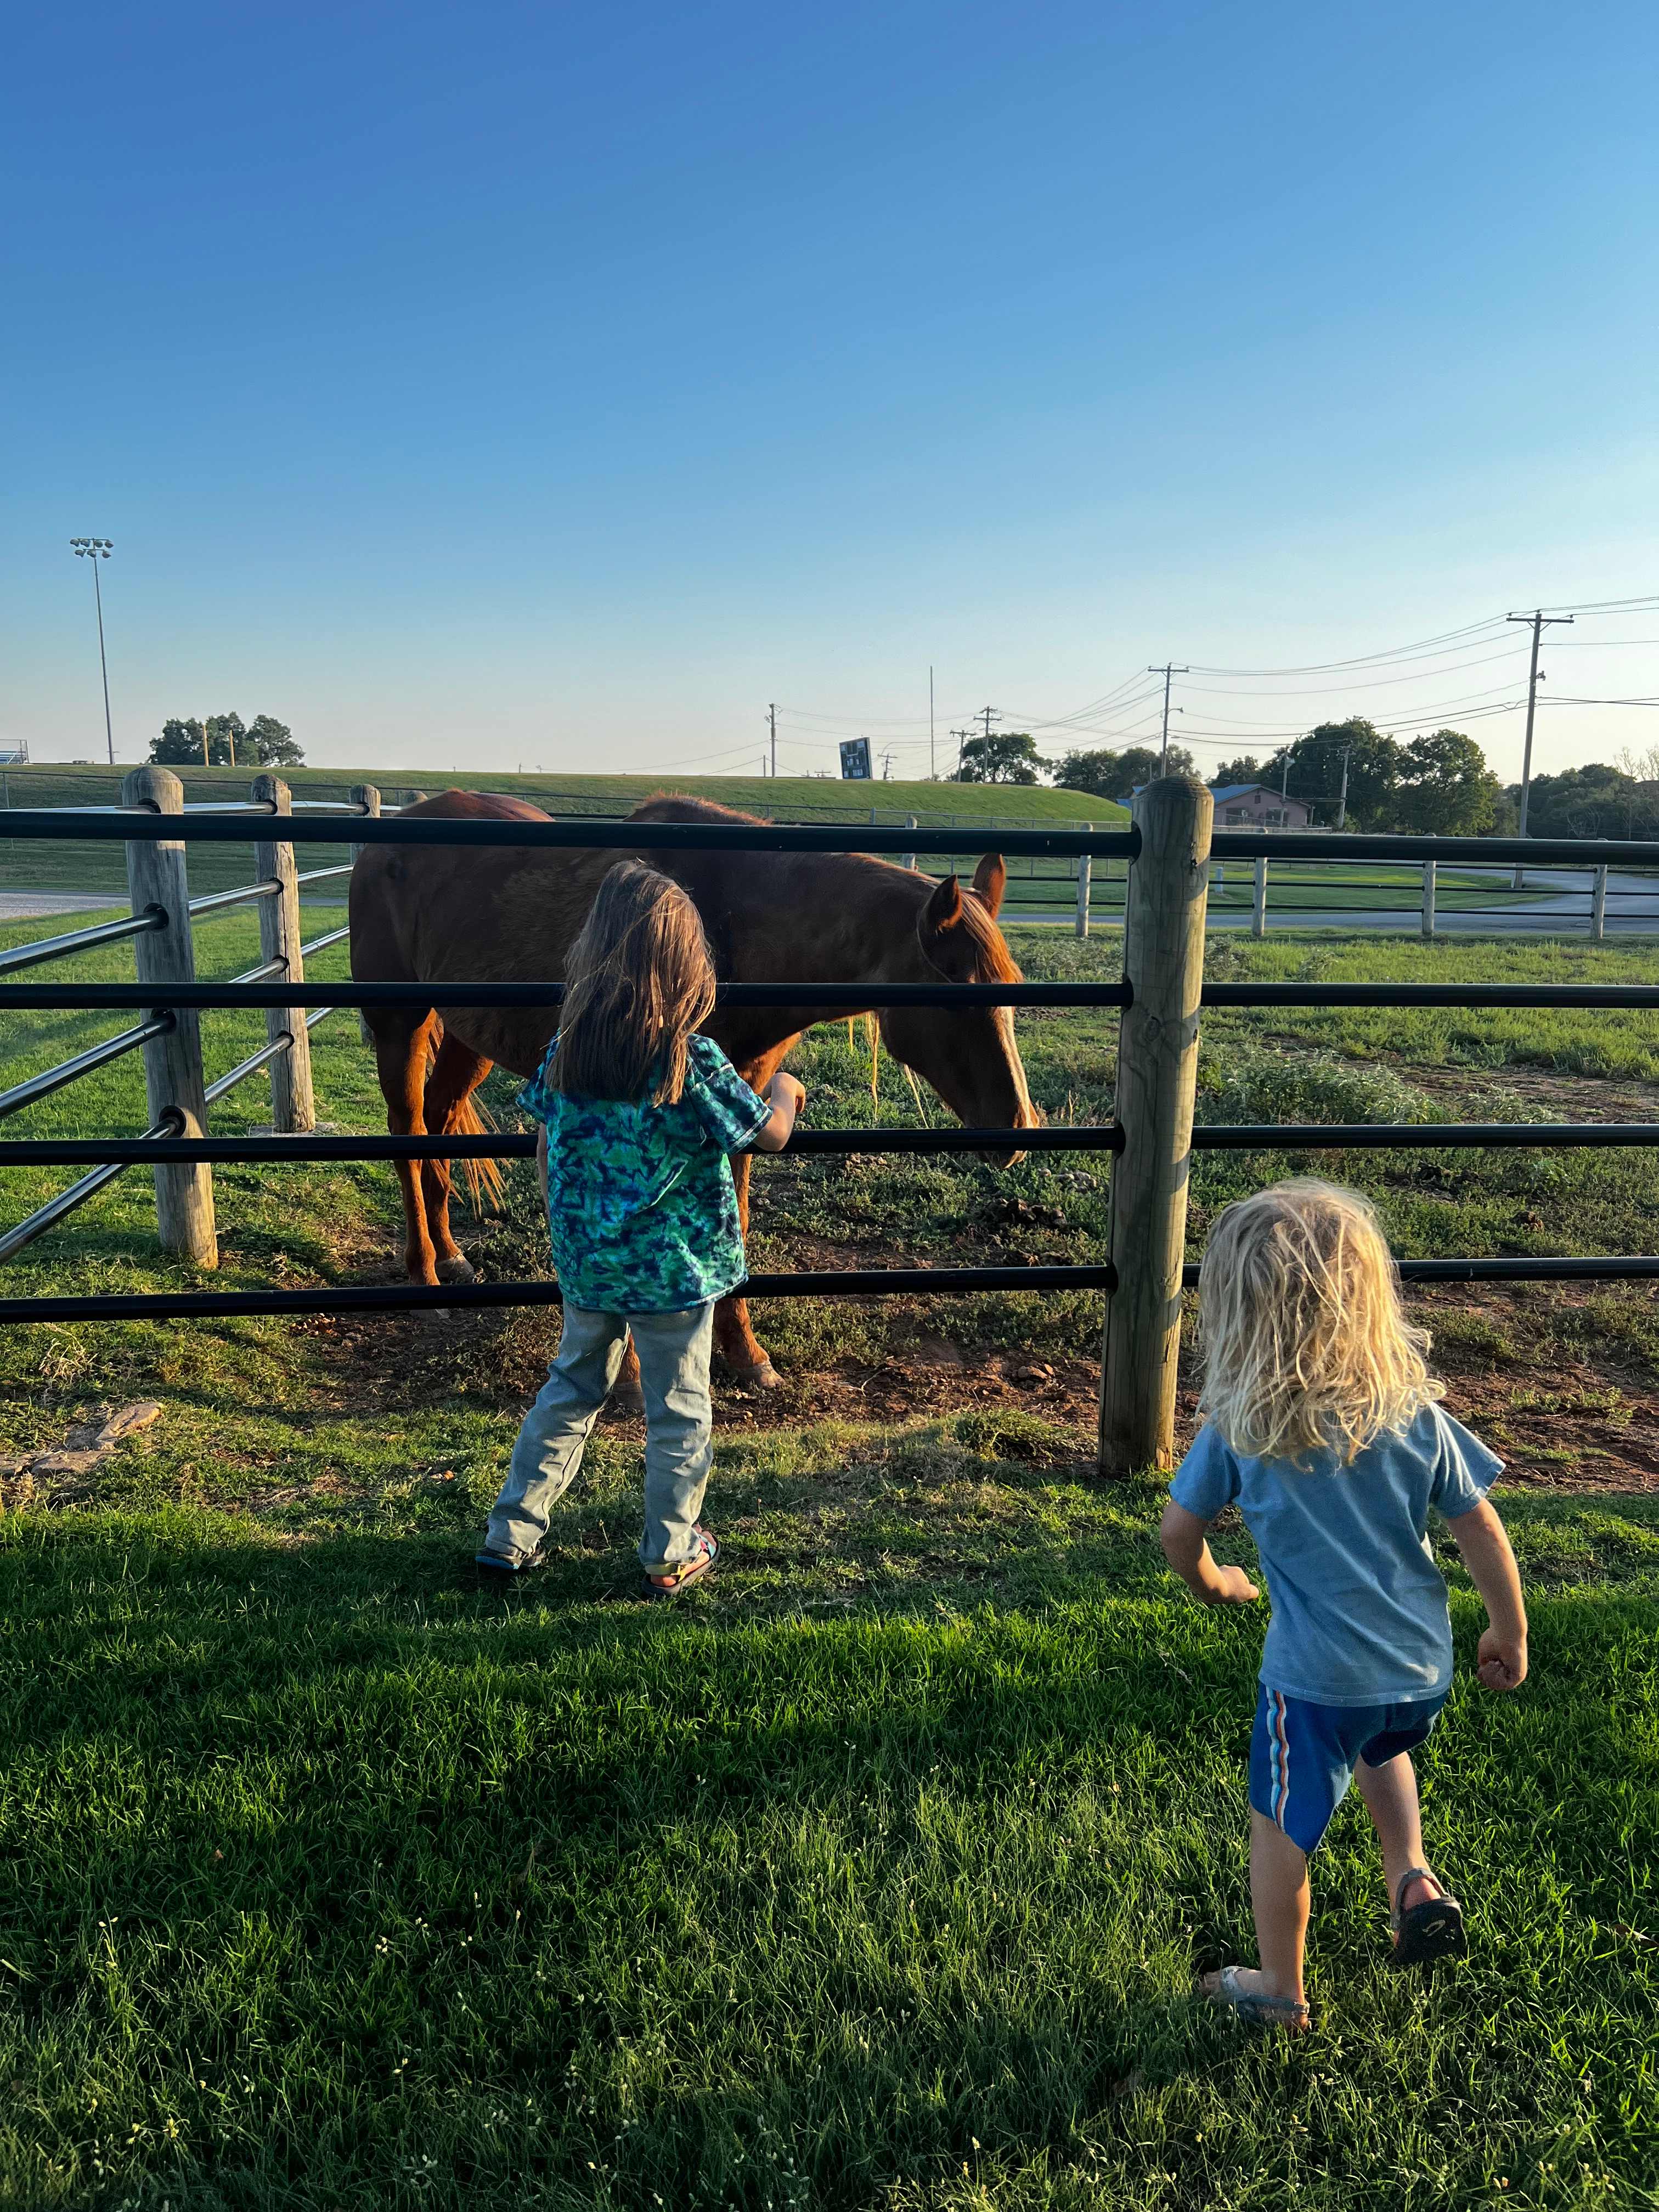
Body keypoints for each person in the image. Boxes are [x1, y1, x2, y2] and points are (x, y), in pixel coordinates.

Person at [1159, 1179, 1528, 2033]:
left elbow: (1179, 1534)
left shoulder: (1239, 1429)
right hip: (1418, 1675)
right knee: (1378, 1744)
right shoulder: (1415, 1416)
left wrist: (1215, 1581)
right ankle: (1413, 1878)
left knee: (1280, 1829)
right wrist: (1508, 1630)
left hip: (1312, 1685)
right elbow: (1481, 1525)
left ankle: (1281, 1993)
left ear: (1236, 1316)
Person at [476, 860, 803, 1598]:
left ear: (593, 951)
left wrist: (569, 1228)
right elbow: (770, 1136)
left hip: (589, 1264)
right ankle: (670, 1551)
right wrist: (785, 1087)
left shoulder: (568, 1051)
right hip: (673, 1274)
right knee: (679, 1407)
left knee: (569, 1390)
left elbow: (546, 1143)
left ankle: (511, 1536)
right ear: (688, 966)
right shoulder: (691, 1060)